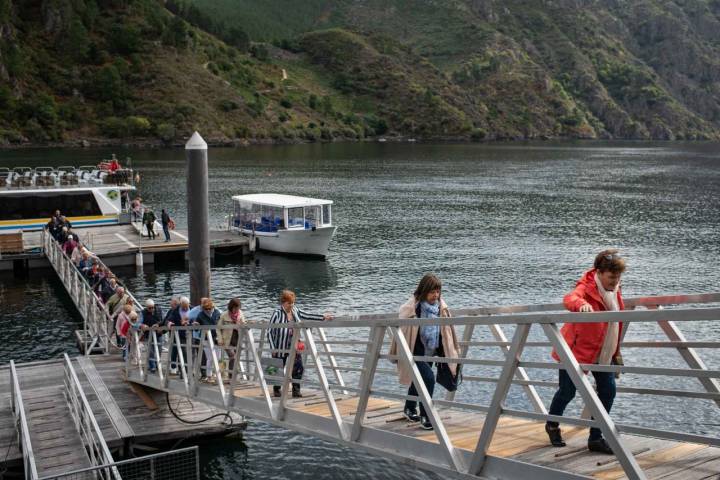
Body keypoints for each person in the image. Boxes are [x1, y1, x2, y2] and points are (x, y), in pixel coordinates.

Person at [545, 249, 627, 455]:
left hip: (603, 351)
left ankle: (596, 438)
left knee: (608, 392)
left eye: (618, 277)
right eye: (611, 277)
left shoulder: (614, 289)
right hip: (575, 350)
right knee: (567, 392)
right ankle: (552, 425)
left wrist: (616, 351)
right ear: (599, 272)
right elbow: (571, 297)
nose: (614, 281)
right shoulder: (588, 285)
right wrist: (581, 304)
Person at [389, 274, 459, 431]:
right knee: (428, 379)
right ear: (424, 291)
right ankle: (426, 415)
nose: (436, 295)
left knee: (418, 380)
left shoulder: (441, 308)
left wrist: (450, 351)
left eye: (438, 291)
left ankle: (409, 408)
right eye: (432, 292)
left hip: (431, 351)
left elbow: (447, 332)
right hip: (414, 351)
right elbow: (403, 331)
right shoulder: (413, 308)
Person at [267, 290, 333, 398]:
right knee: (277, 367)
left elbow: (306, 315)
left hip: (294, 343)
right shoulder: (277, 313)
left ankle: (296, 390)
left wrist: (323, 317)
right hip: (280, 345)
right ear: (283, 302)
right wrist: (273, 348)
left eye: (293, 302)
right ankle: (276, 389)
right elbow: (270, 331)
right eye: (289, 303)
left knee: (298, 366)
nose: (291, 305)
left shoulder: (295, 310)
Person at [192, 298, 222, 382]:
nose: (208, 310)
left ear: (212, 306)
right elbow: (196, 328)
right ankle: (209, 376)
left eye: (210, 308)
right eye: (206, 309)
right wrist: (196, 325)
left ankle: (216, 374)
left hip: (216, 338)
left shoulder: (217, 312)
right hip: (206, 338)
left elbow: (221, 324)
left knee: (218, 357)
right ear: (203, 308)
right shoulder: (200, 315)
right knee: (210, 358)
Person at [217, 298, 245, 381]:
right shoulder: (224, 315)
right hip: (227, 340)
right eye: (235, 308)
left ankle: (234, 375)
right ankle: (231, 377)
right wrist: (220, 339)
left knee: (236, 357)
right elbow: (218, 328)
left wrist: (242, 324)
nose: (236, 310)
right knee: (232, 356)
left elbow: (244, 323)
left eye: (238, 308)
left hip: (237, 338)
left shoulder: (241, 314)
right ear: (231, 307)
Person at [166, 296, 191, 375]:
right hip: (180, 334)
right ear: (181, 305)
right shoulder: (175, 311)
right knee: (183, 352)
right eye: (183, 307)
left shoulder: (193, 309)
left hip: (191, 334)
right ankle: (184, 371)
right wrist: (169, 323)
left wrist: (190, 322)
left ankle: (187, 370)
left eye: (186, 307)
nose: (185, 308)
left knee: (191, 353)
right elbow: (169, 319)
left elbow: (197, 318)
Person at [140, 299, 165, 373]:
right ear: (146, 307)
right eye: (149, 308)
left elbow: (164, 320)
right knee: (150, 351)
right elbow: (138, 323)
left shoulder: (159, 310)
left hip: (159, 333)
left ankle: (157, 364)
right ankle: (152, 366)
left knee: (159, 350)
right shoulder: (143, 312)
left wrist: (159, 326)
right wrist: (142, 325)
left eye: (152, 307)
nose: (151, 309)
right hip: (148, 334)